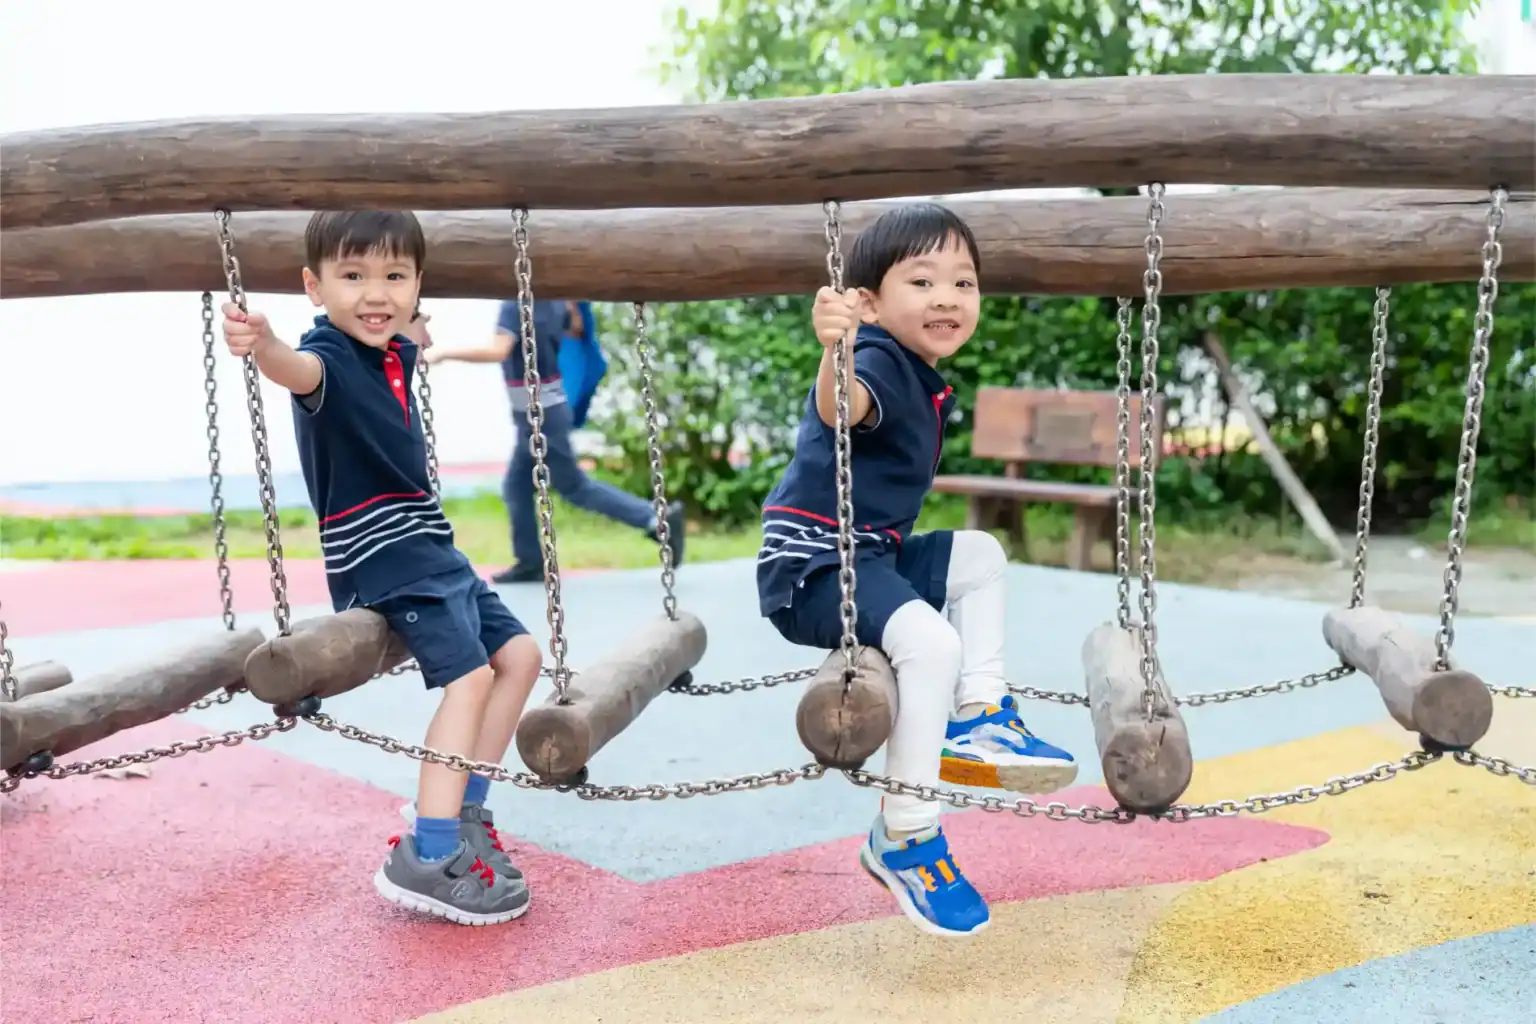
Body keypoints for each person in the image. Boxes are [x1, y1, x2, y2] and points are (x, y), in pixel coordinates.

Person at [756, 203, 1079, 938]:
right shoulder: (875, 360)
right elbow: (845, 408)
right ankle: (905, 832)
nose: (946, 297)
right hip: (815, 565)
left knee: (981, 555)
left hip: (871, 554)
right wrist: (835, 349)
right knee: (933, 644)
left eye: (963, 283)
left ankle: (983, 716)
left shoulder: (917, 369)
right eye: (922, 280)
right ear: (869, 303)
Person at [220, 210, 538, 927]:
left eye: (395, 276)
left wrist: (416, 336)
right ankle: (427, 853)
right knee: (471, 677)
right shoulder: (326, 358)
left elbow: (408, 336)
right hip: (385, 554)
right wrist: (263, 342)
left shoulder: (392, 351)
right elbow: (294, 372)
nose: (376, 294)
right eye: (353, 276)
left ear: (418, 284)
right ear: (315, 286)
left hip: (433, 547)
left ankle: (463, 813)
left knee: (520, 655)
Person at [425, 298, 685, 584]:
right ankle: (530, 562)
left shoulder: (515, 304)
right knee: (516, 487)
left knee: (574, 487)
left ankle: (655, 519)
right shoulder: (552, 301)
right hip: (541, 412)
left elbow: (499, 350)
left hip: (542, 416)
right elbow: (575, 328)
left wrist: (444, 354)